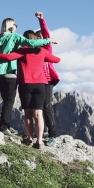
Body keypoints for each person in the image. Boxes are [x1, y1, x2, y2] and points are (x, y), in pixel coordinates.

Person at [0, 30, 61, 149]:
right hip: (41, 85)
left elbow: (8, 57)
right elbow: (57, 60)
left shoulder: (22, 51)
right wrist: (43, 58)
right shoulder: (42, 51)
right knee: (38, 113)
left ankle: (30, 138)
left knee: (28, 114)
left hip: (26, 85)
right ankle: (39, 141)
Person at [34, 11, 60, 146]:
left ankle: (53, 134)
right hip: (37, 80)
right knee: (37, 107)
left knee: (46, 107)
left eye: (40, 36)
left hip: (48, 80)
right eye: (37, 36)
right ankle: (40, 131)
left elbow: (46, 33)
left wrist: (41, 20)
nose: (39, 38)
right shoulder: (34, 50)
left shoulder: (48, 48)